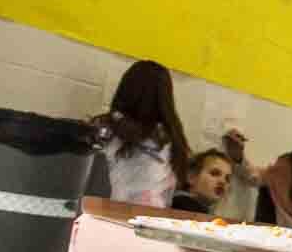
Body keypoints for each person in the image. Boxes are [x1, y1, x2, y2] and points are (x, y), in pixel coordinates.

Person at [93, 60, 190, 207]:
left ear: (125, 90)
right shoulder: (173, 139)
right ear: (165, 97)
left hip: (102, 214)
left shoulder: (105, 128)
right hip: (151, 219)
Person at [172, 149, 233, 214]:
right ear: (191, 177)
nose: (223, 181)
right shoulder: (183, 205)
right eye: (214, 173)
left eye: (227, 179)